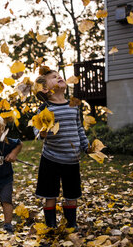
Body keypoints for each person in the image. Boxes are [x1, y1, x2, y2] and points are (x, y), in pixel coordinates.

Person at [33, 69, 89, 230]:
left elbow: (79, 129)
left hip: (72, 159)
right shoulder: (45, 108)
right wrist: (41, 132)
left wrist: (86, 146)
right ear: (45, 89)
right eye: (53, 77)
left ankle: (71, 224)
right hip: (50, 158)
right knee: (50, 194)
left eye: (59, 75)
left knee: (71, 194)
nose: (59, 77)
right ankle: (50, 225)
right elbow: (36, 129)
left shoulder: (73, 105)